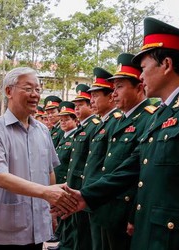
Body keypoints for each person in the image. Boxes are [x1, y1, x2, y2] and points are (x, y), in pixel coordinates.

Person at [60, 17, 179, 250]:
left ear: (166, 65)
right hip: (150, 237)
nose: (141, 77)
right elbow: (133, 165)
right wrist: (86, 196)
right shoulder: (161, 113)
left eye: (144, 68)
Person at [0, 67, 77, 250]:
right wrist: (46, 193)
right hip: (3, 230)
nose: (35, 95)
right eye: (28, 88)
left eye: (38, 90)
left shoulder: (43, 131)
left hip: (36, 226)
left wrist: (51, 209)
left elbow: (49, 172)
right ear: (9, 91)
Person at [92, 53, 155, 250]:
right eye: (113, 88)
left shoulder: (149, 119)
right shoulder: (119, 120)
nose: (113, 94)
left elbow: (144, 172)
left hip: (126, 209)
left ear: (139, 87)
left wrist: (134, 214)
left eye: (119, 86)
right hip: (109, 205)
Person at [82, 67, 121, 250]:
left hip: (104, 198)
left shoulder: (116, 122)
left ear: (110, 96)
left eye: (96, 95)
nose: (92, 100)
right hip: (94, 196)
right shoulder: (102, 123)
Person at [58, 84, 100, 250]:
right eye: (75, 105)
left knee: (83, 233)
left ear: (90, 105)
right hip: (74, 185)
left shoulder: (95, 125)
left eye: (80, 105)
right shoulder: (83, 127)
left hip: (83, 187)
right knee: (76, 229)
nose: (76, 109)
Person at [48, 101, 77, 250]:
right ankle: (62, 240)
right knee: (62, 214)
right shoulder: (63, 137)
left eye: (67, 120)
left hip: (68, 182)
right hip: (59, 181)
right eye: (62, 120)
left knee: (67, 215)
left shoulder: (75, 137)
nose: (64, 122)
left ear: (75, 120)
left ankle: (65, 243)